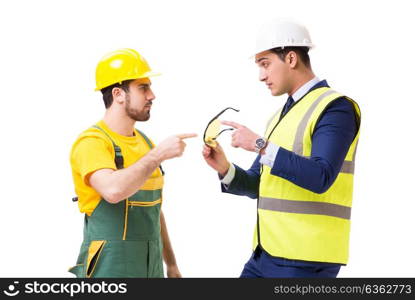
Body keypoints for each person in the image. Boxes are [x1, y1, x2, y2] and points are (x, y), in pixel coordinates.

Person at [202, 19, 361, 278]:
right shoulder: (279, 116)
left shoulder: (335, 108)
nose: (261, 76)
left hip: (306, 260)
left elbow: (321, 177)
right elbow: (257, 184)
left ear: (290, 58)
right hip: (265, 253)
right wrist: (224, 168)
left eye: (265, 65)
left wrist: (259, 145)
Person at [69, 48, 196, 278]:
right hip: (110, 270)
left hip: (151, 267)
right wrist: (157, 156)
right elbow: (113, 190)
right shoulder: (92, 143)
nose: (152, 95)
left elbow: (155, 211)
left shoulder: (146, 144)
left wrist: (172, 264)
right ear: (118, 94)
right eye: (143, 87)